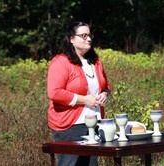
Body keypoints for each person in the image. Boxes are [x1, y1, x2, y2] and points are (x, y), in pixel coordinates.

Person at [47, 21, 111, 166]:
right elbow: (54, 92)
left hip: (94, 123)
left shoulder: (95, 61)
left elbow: (106, 85)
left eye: (89, 35)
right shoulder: (61, 62)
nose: (88, 39)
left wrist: (105, 94)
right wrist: (84, 100)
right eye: (83, 35)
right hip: (70, 125)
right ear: (71, 38)